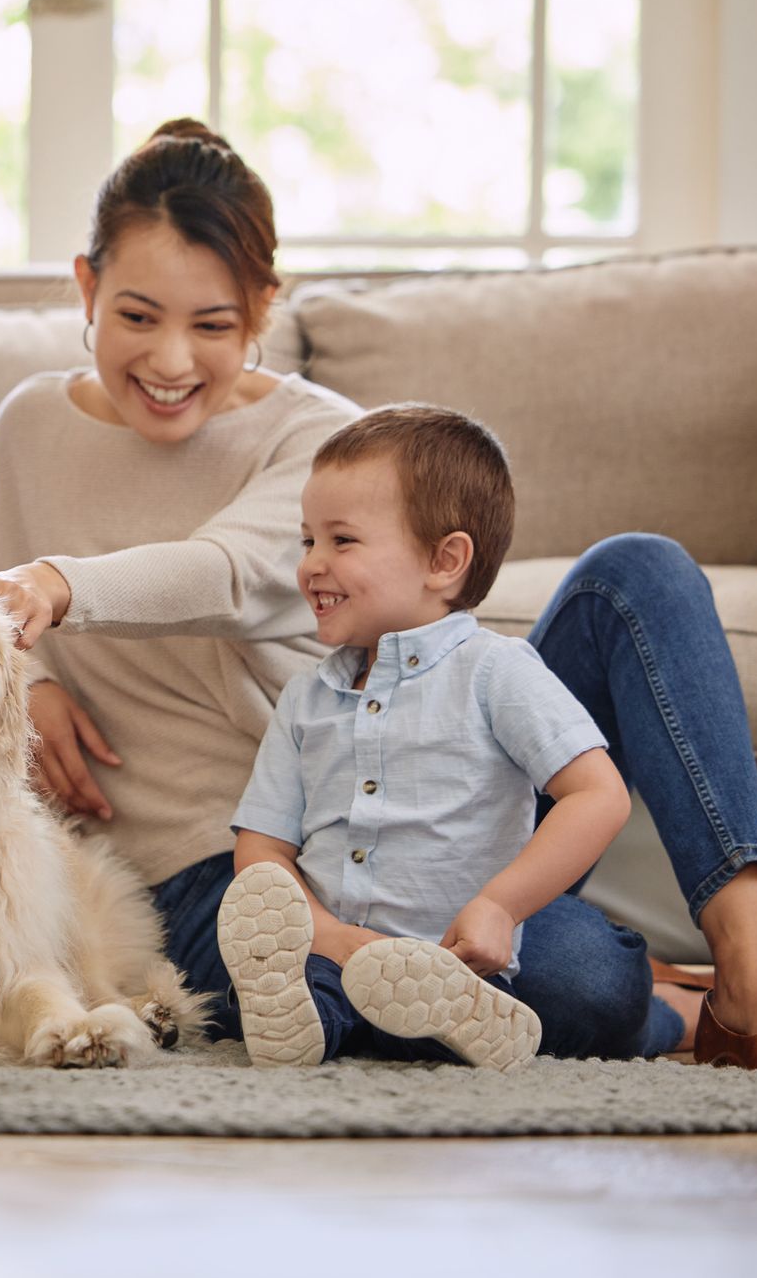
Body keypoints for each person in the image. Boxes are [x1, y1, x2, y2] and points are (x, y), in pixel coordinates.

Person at [0, 118, 757, 1077]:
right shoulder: (27, 426)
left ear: (265, 305)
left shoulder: (330, 446)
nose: (171, 360)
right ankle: (665, 1011)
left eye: (213, 324)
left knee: (638, 574)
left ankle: (752, 978)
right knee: (575, 981)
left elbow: (225, 574)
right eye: (137, 316)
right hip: (209, 877)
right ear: (86, 287)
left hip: (395, 819)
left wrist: (61, 587)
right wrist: (33, 673)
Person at [220, 405, 629, 1071]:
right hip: (326, 951)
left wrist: (500, 906)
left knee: (437, 1002)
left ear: (444, 561)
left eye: (341, 541)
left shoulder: (495, 671)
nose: (311, 566)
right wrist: (320, 931)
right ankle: (306, 1023)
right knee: (280, 991)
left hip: (449, 958)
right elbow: (263, 843)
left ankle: (454, 1018)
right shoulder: (307, 697)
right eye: (307, 541)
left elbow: (598, 794)